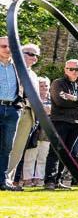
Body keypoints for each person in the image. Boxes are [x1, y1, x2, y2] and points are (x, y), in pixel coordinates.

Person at [44, 59, 78, 190]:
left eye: (77, 69)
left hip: (76, 122)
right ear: (65, 69)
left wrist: (75, 98)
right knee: (56, 151)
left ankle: (58, 180)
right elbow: (60, 101)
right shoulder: (58, 83)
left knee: (68, 153)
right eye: (71, 69)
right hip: (59, 121)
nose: (74, 71)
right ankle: (50, 181)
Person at [6, 43, 40, 189]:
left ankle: (7, 179)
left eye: (36, 56)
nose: (34, 58)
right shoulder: (9, 68)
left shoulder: (33, 75)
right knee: (6, 145)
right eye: (31, 54)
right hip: (10, 110)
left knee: (18, 149)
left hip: (27, 113)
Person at [0, 37, 23, 191]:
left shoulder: (19, 67)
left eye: (10, 46)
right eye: (3, 46)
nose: (7, 49)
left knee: (7, 146)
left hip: (12, 110)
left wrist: (20, 105)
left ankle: (3, 181)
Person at [21, 77, 51, 187]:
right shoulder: (33, 98)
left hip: (47, 132)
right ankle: (27, 178)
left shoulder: (53, 99)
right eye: (41, 86)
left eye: (46, 86)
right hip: (34, 130)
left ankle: (39, 178)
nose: (44, 88)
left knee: (43, 156)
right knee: (30, 156)